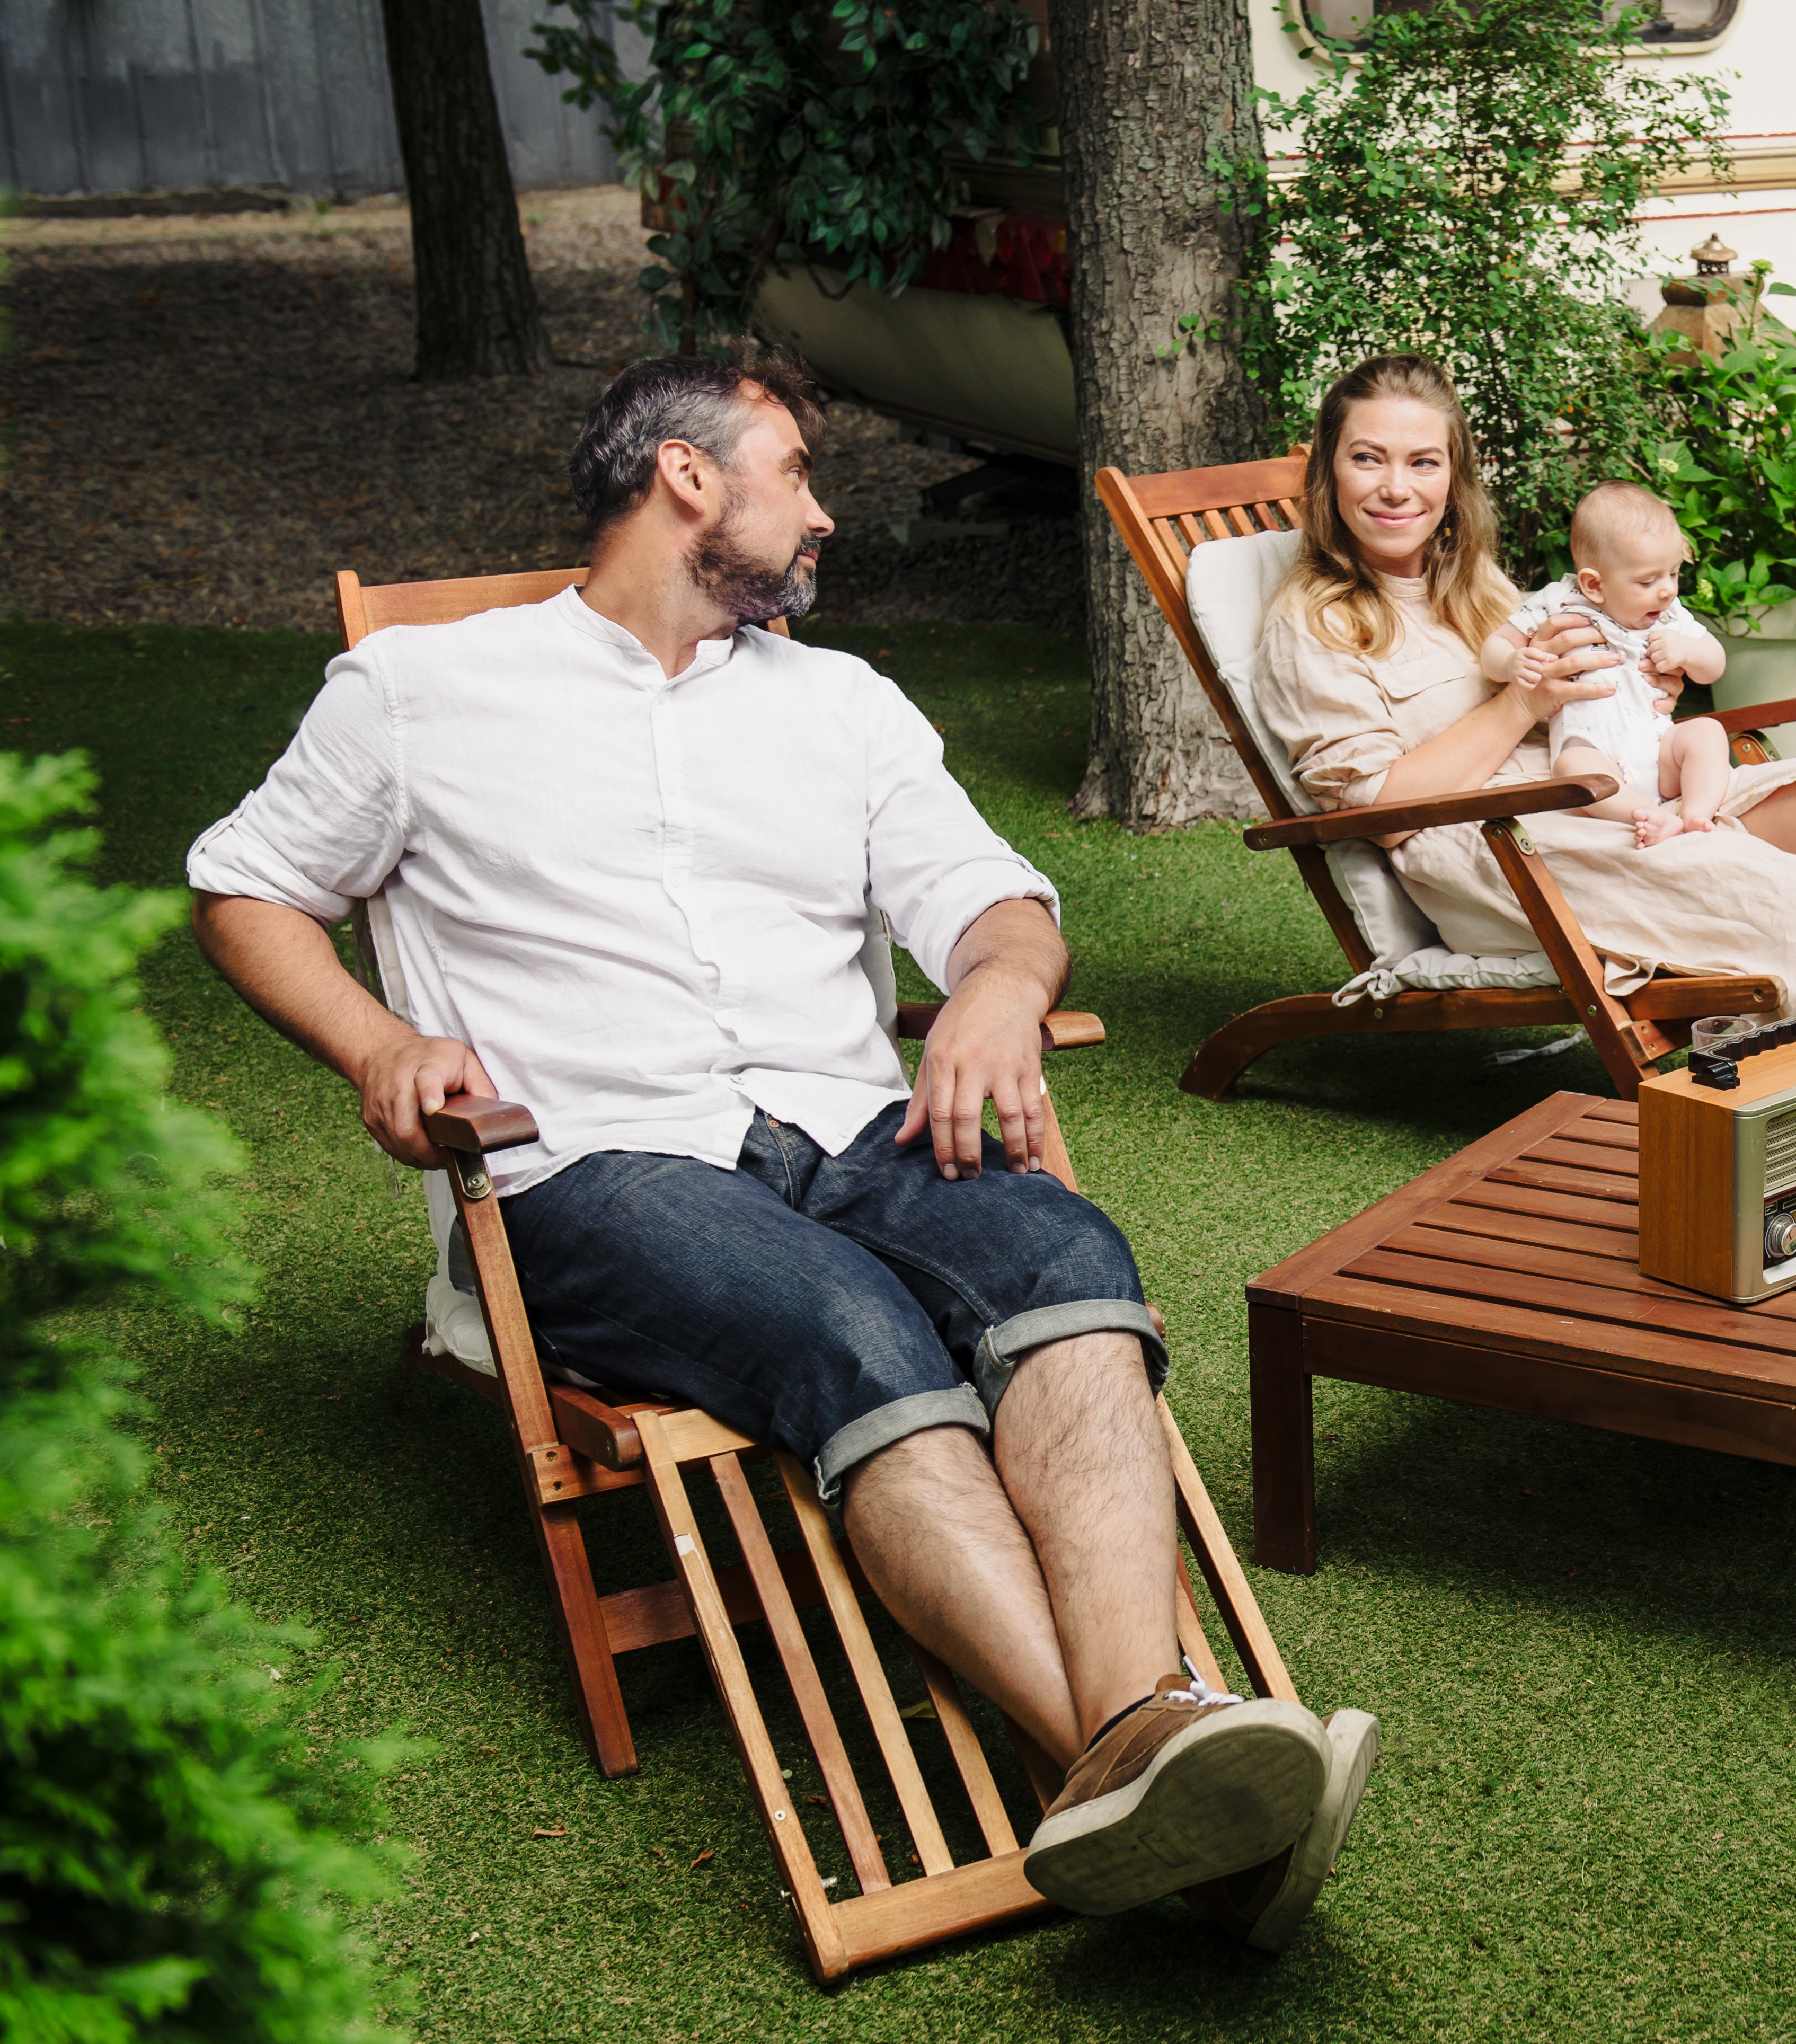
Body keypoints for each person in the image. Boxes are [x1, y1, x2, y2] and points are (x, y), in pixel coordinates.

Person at [183, 347, 1373, 1946]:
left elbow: (996, 899)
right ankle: (1135, 1762)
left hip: (854, 1123)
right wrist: (383, 1046)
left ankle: (1138, 1739)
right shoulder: (423, 694)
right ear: (688, 477)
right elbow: (245, 886)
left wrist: (999, 995)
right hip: (599, 1164)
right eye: (797, 473)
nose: (821, 514)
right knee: (848, 1322)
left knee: (1068, 1264)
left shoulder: (842, 702)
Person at [1252, 353, 1796, 1150]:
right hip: (1492, 841)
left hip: (1599, 792)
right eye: (1366, 458)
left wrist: (1641, 691)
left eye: (1422, 461)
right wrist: (1528, 702)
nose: (1395, 487)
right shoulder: (1313, 625)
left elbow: (1587, 676)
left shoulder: (1474, 583)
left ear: (1454, 477)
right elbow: (1379, 814)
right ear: (1329, 473)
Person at [1483, 481, 1730, 848]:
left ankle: (1696, 814)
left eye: (1674, 573)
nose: (1668, 590)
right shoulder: (1560, 603)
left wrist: (1688, 652)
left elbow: (1716, 664)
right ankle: (1650, 817)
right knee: (1571, 767)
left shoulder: (1668, 615)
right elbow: (1494, 648)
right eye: (1648, 580)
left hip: (1662, 754)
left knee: (1707, 732)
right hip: (1596, 754)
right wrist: (1511, 661)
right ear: (1594, 585)